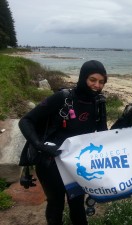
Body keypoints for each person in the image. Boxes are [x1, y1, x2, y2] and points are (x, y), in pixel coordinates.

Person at [19, 60, 108, 225]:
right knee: (55, 204)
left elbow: (103, 135)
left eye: (101, 82)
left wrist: (126, 122)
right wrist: (39, 145)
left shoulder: (98, 103)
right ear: (82, 78)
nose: (97, 85)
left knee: (77, 206)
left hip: (76, 163)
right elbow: (25, 121)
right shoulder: (63, 98)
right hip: (50, 162)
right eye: (92, 80)